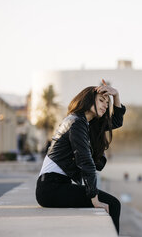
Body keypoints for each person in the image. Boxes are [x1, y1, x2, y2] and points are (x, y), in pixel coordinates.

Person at [35, 81, 125, 234]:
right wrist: (94, 198)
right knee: (113, 204)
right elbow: (85, 161)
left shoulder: (85, 123)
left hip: (56, 185)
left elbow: (116, 121)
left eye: (106, 102)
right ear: (88, 100)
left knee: (113, 204)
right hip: (51, 188)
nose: (105, 105)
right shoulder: (76, 122)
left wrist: (116, 94)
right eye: (101, 100)